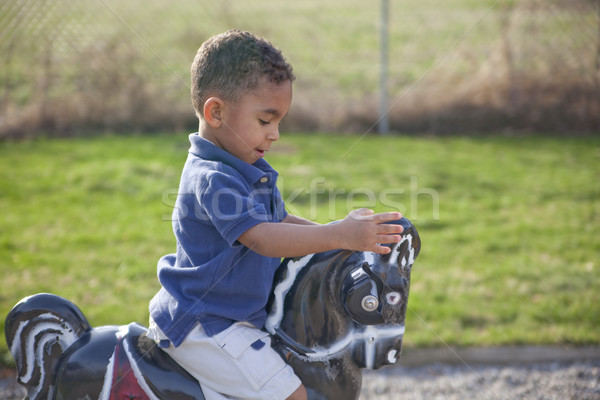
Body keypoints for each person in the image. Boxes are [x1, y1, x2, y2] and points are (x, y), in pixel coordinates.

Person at [148, 29, 404, 400]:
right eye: (265, 121)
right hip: (206, 324)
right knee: (291, 395)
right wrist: (339, 234)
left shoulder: (247, 167)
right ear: (216, 112)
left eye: (279, 122)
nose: (276, 135)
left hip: (237, 315)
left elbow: (279, 223)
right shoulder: (214, 177)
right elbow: (263, 238)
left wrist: (340, 243)